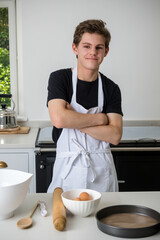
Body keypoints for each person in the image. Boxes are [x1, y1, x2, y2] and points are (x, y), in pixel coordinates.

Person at [47, 19, 123, 193]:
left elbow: (115, 135)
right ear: (75, 48)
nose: (93, 53)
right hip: (67, 176)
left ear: (106, 51)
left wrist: (74, 120)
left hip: (102, 177)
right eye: (86, 46)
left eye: (99, 47)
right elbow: (59, 119)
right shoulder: (61, 79)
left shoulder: (111, 88)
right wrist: (100, 119)